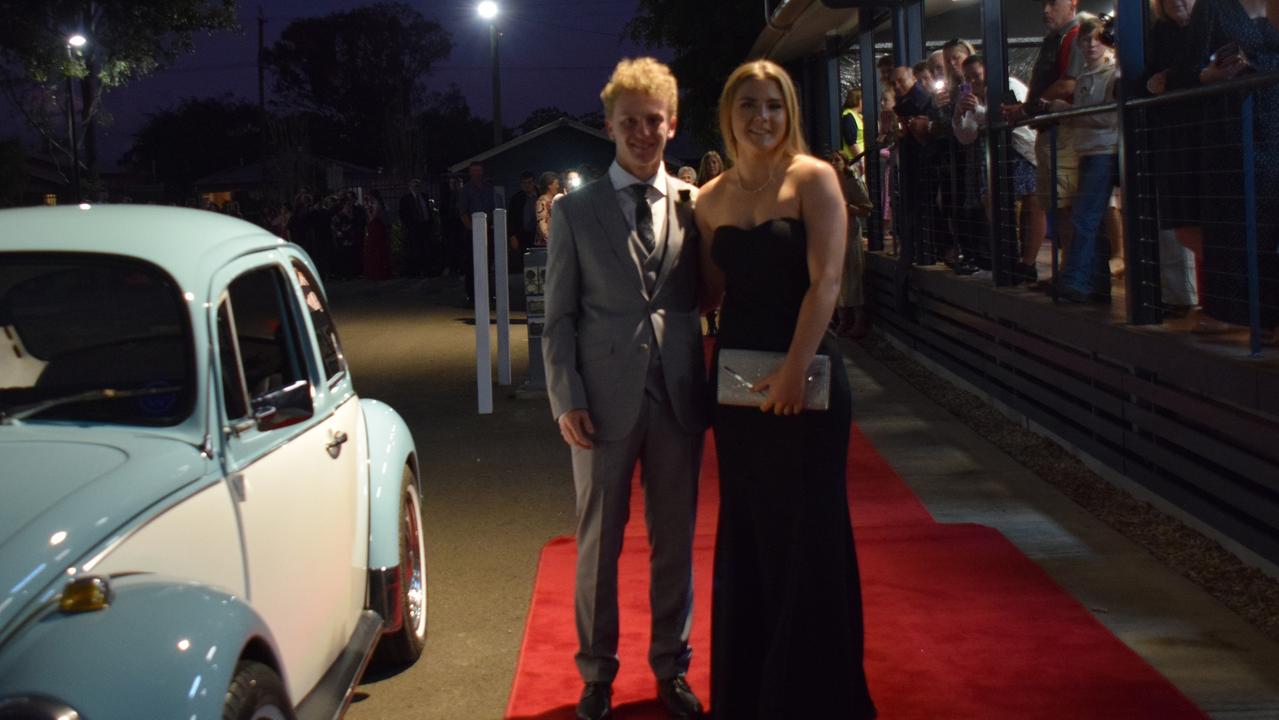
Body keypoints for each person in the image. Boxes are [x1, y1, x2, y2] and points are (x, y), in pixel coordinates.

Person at [693, 59, 876, 720]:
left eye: (773, 104)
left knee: (810, 533)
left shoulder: (814, 179)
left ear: (788, 111)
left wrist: (797, 366)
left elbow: (827, 280)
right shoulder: (708, 200)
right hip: (738, 391)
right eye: (749, 104)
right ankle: (750, 694)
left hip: (809, 382)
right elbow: (707, 295)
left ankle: (813, 699)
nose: (761, 117)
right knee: (749, 533)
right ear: (728, 113)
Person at [542, 57, 708, 720]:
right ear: (608, 126)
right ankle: (596, 675)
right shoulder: (574, 212)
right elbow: (556, 317)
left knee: (675, 540)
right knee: (598, 543)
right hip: (600, 404)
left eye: (654, 121)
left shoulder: (697, 206)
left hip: (678, 395)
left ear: (671, 125)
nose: (642, 133)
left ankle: (670, 668)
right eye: (629, 122)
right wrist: (565, 397)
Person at [1185, 0, 1279, 342]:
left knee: (1271, 216)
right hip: (1236, 120)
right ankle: (1239, 312)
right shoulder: (1214, 6)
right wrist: (1214, 73)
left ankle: (1268, 315)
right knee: (1239, 215)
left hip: (1275, 114)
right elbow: (1192, 64)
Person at [1003, 0, 1086, 285]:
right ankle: (1068, 272)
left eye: (1054, 2)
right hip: (1048, 129)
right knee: (1057, 203)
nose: (1046, 10)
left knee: (1066, 203)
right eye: (1044, 3)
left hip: (1063, 129)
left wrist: (1025, 110)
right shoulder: (1056, 40)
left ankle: (1075, 273)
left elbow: (1068, 84)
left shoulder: (1075, 36)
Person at [953, 55, 1045, 283]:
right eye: (968, 77)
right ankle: (1009, 256)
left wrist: (981, 111)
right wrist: (958, 113)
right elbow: (967, 136)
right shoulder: (969, 97)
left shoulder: (1010, 86)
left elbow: (1017, 118)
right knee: (991, 201)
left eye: (977, 75)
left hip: (1021, 150)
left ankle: (1028, 262)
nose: (973, 81)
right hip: (993, 153)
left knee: (1032, 202)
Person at [1049, 15, 1120, 303]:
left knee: (1084, 217)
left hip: (1103, 151)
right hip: (1089, 150)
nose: (1091, 44)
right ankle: (1096, 284)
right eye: (1085, 39)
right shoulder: (1086, 78)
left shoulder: (1111, 75)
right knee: (1093, 219)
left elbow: (1108, 115)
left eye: (1096, 38)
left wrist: (1068, 114)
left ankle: (1077, 281)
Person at [1146, 0, 1203, 318]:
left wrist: (1174, 79)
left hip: (1208, 132)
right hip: (1171, 133)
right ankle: (1183, 296)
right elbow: (1147, 78)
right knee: (1178, 222)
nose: (1178, 2)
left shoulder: (1212, 23)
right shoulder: (1159, 34)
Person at [460, 161, 499, 304]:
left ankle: (488, 294)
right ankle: (471, 295)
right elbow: (463, 212)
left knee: (488, 263)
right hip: (472, 230)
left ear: (482, 172)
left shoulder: (489, 188)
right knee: (471, 265)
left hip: (487, 229)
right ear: (470, 173)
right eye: (473, 171)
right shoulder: (466, 190)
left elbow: (494, 207)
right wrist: (471, 229)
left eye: (478, 170)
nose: (476, 173)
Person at [398, 179, 433, 277]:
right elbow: (403, 213)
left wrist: (430, 222)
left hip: (425, 225)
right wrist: (408, 225)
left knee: (426, 247)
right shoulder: (406, 199)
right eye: (414, 186)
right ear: (410, 187)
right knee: (415, 248)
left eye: (417, 186)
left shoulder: (424, 197)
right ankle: (416, 270)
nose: (416, 188)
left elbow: (428, 210)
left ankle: (427, 270)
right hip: (414, 226)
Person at [508, 170, 539, 273]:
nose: (527, 185)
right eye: (524, 183)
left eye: (529, 182)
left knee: (540, 263)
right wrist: (512, 236)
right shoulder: (516, 199)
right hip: (523, 236)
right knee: (526, 265)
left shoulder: (541, 196)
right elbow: (511, 219)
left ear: (534, 182)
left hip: (539, 235)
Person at [363, 190, 392, 281]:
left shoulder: (376, 203)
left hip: (376, 226)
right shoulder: (375, 203)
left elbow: (373, 217)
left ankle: (378, 272)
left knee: (375, 247)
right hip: (375, 226)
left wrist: (368, 210)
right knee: (375, 248)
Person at [535, 171, 560, 247]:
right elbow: (542, 224)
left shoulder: (554, 200)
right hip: (545, 245)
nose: (558, 186)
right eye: (556, 183)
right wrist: (551, 241)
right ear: (549, 185)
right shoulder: (542, 201)